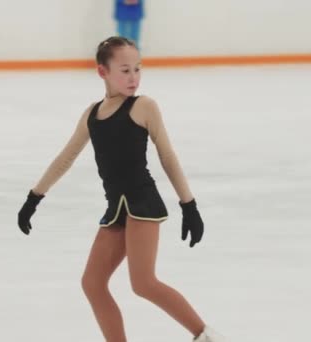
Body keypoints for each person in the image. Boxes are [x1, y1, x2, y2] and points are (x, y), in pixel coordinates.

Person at [17, 36, 226, 342]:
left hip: (142, 203)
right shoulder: (92, 114)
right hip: (116, 208)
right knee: (92, 283)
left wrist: (188, 205)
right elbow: (66, 158)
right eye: (125, 70)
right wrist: (34, 198)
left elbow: (167, 156)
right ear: (103, 72)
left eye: (138, 69)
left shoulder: (143, 106)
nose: (134, 78)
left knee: (142, 282)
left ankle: (205, 336)